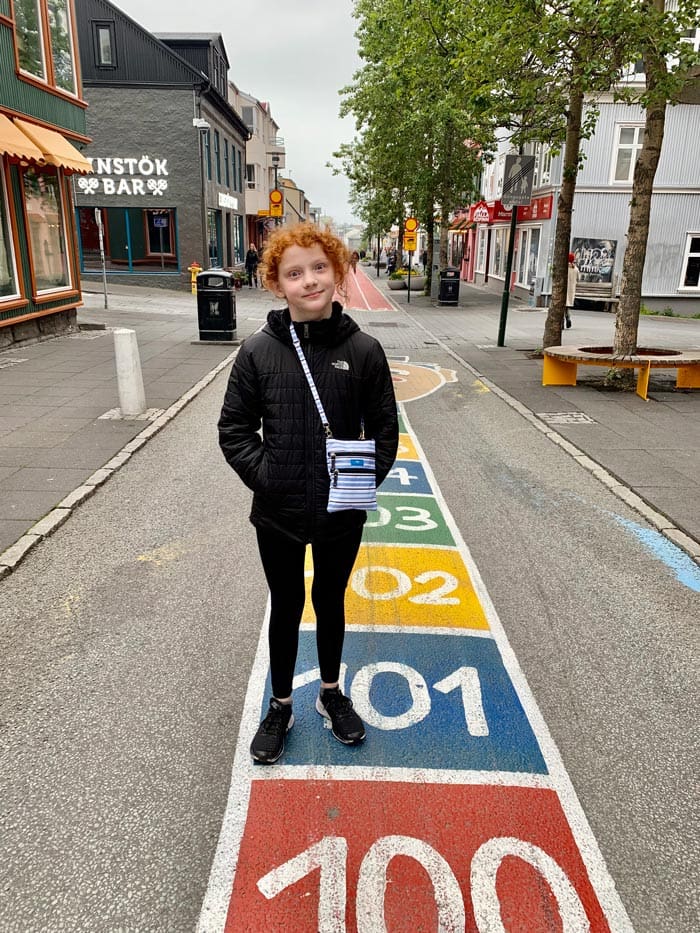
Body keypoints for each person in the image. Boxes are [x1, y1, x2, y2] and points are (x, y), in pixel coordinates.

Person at [218, 223, 399, 765]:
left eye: (320, 267)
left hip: (342, 510)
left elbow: (385, 431)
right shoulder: (258, 351)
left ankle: (329, 692)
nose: (309, 280)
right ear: (277, 283)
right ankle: (279, 704)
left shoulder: (364, 351)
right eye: (294, 272)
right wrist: (270, 478)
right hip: (278, 513)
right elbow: (234, 429)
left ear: (338, 272)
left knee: (329, 602)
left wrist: (358, 485)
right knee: (287, 604)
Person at [565, 251, 579, 328]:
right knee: (567, 306)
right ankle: (568, 318)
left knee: (562, 305)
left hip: (564, 289)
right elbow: (578, 278)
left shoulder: (564, 268)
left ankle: (563, 321)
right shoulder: (575, 269)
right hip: (571, 290)